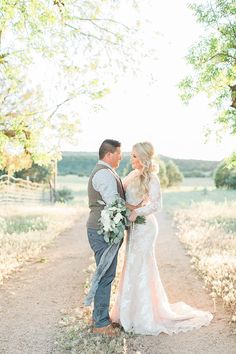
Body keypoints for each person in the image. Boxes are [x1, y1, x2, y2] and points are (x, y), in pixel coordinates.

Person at [110, 141, 213, 335]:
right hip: (133, 227)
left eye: (133, 156)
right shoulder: (132, 175)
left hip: (145, 227)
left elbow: (157, 205)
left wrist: (136, 212)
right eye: (131, 155)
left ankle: (143, 316)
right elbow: (119, 194)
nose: (130, 159)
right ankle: (127, 313)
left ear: (142, 157)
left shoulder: (152, 178)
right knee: (130, 265)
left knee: (141, 266)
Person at [86, 139, 139, 336]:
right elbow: (114, 203)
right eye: (119, 153)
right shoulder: (103, 174)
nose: (121, 156)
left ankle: (101, 318)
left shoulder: (108, 172)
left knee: (106, 274)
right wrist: (136, 209)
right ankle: (100, 324)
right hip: (101, 231)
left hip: (105, 230)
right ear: (109, 154)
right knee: (105, 275)